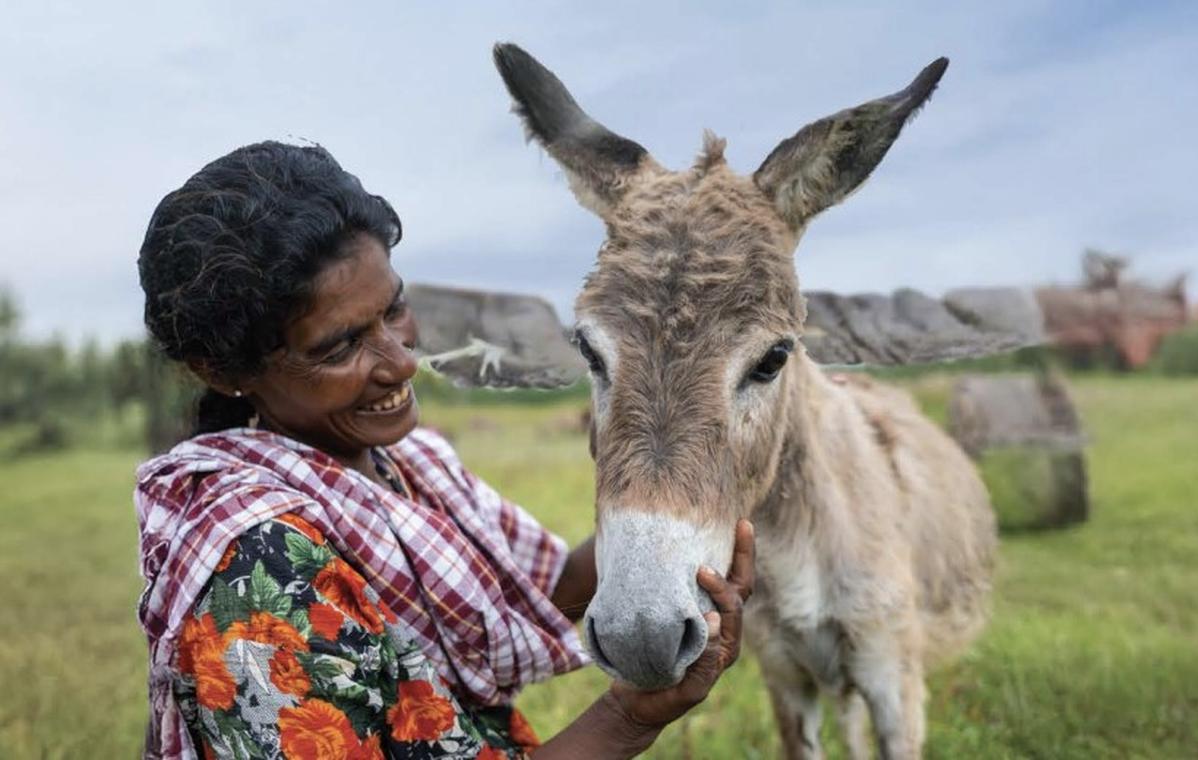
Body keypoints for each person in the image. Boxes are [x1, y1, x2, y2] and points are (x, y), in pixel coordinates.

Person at [135, 141, 754, 760]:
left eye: (394, 309)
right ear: (222, 372)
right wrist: (627, 718)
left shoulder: (407, 464)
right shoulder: (256, 570)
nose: (403, 360)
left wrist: (667, 507)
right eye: (342, 345)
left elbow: (545, 588)